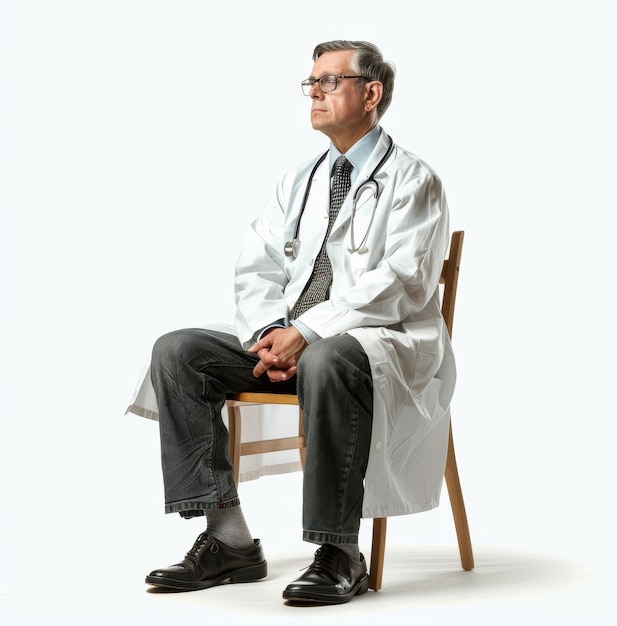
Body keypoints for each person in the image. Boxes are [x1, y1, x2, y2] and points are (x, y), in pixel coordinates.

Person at [128, 39, 456, 605]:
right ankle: (228, 538)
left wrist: (307, 333)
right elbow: (256, 266)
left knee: (330, 354)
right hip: (291, 345)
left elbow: (403, 282)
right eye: (311, 82)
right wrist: (265, 339)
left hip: (378, 347)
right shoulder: (299, 180)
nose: (314, 92)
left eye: (330, 81)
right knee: (177, 351)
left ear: (371, 93)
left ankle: (340, 553)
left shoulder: (413, 180)